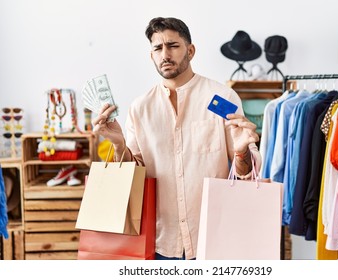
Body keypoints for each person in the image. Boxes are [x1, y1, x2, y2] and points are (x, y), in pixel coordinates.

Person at [92, 17, 261, 260]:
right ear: (151, 55)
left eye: (173, 45)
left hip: (213, 237)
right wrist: (118, 145)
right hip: (160, 241)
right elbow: (135, 177)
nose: (165, 54)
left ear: (190, 51)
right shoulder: (140, 108)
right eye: (157, 48)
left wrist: (242, 152)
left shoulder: (221, 98)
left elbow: (245, 175)